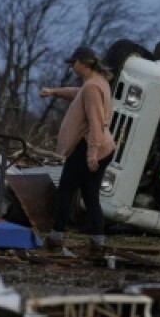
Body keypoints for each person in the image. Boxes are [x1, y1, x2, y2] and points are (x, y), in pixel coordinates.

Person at [39, 46, 116, 256]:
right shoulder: (96, 83)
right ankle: (97, 242)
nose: (72, 67)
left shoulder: (92, 88)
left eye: (73, 63)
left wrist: (91, 155)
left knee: (65, 192)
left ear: (82, 63)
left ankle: (56, 239)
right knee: (90, 195)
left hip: (89, 145)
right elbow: (77, 93)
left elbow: (95, 123)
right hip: (104, 146)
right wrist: (54, 92)